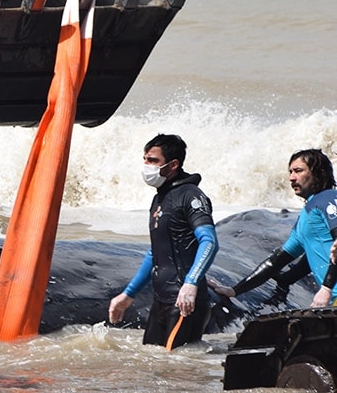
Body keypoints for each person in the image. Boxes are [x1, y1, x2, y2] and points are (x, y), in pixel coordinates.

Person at [108, 134, 219, 349]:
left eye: (153, 161)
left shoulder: (191, 196)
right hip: (161, 301)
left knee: (176, 372)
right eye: (145, 160)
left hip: (185, 301)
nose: (146, 166)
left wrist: (191, 282)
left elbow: (209, 242)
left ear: (173, 165)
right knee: (152, 366)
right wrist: (128, 294)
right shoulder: (159, 198)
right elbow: (155, 252)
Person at [210, 149, 337, 307]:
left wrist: (326, 288)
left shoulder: (328, 198)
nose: (291, 178)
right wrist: (234, 290)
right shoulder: (306, 216)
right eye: (290, 172)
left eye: (298, 171)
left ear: (319, 173)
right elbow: (276, 262)